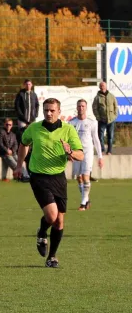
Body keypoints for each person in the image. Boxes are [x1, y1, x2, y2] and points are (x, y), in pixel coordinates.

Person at [14, 98, 84, 268]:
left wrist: (70, 152)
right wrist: (19, 165)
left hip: (58, 177)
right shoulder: (34, 128)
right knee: (52, 216)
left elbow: (81, 155)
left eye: (52, 110)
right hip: (38, 176)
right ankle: (42, 230)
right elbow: (24, 144)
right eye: (46, 110)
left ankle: (52, 256)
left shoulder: (68, 130)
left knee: (59, 221)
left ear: (59, 112)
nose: (49, 113)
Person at [70, 99, 104, 210]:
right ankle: (86, 198)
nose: (81, 108)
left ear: (86, 107)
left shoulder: (92, 122)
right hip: (76, 153)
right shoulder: (71, 123)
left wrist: (100, 157)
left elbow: (96, 140)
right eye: (79, 106)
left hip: (88, 153)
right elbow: (69, 139)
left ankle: (83, 203)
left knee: (85, 176)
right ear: (76, 107)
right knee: (79, 178)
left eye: (83, 106)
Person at [92, 81, 118, 155]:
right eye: (101, 86)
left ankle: (109, 151)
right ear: (99, 87)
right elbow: (94, 108)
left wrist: (115, 115)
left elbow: (115, 106)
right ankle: (102, 149)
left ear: (106, 86)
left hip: (111, 120)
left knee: (110, 136)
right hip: (101, 120)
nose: (102, 87)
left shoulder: (111, 96)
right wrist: (98, 117)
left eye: (103, 86)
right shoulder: (97, 98)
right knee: (100, 136)